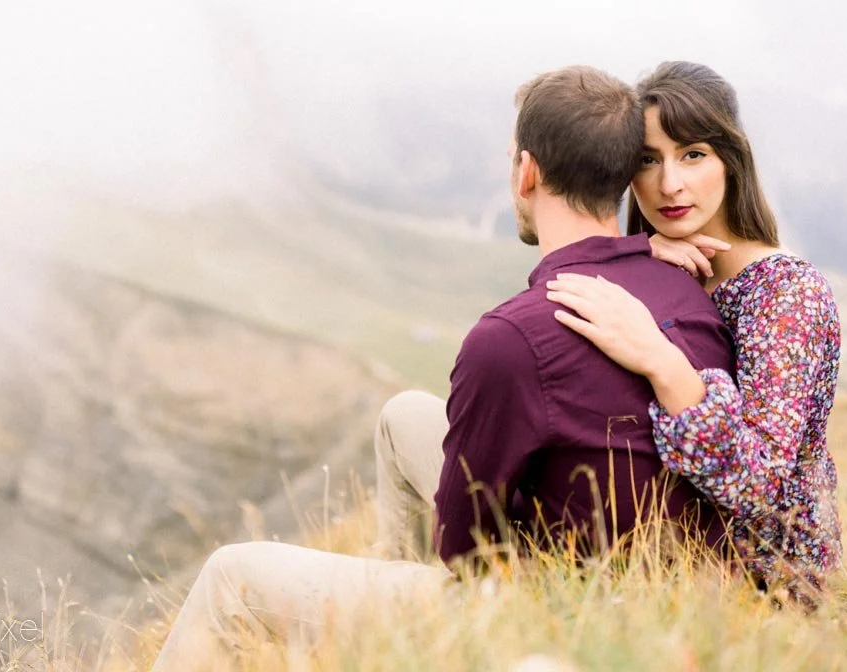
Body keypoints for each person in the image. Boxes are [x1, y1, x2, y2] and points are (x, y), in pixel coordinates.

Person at [149, 66, 736, 671]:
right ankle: (382, 620)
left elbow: (462, 545)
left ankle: (407, 637)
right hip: (654, 587)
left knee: (228, 577)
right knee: (402, 416)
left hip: (545, 608)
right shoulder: (689, 287)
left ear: (527, 171)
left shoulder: (511, 337)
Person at [545, 61, 842, 605]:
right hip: (639, 551)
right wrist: (635, 254)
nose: (669, 184)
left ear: (731, 161)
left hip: (761, 592)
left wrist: (661, 359)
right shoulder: (663, 265)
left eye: (693, 155)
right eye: (647, 160)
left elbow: (757, 485)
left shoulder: (784, 294)